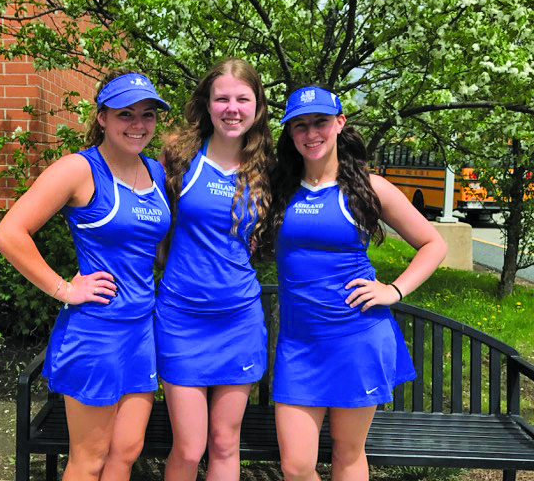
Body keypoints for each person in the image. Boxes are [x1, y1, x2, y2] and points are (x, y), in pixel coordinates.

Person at [0, 71, 171, 481]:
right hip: (97, 333)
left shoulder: (155, 173)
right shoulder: (79, 168)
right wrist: (64, 289)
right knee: (89, 461)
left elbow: (150, 245)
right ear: (103, 118)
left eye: (148, 115)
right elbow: (9, 234)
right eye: (126, 114)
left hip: (142, 329)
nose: (138, 124)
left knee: (126, 453)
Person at [269, 86, 447, 481]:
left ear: (339, 123)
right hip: (299, 344)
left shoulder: (368, 187)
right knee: (296, 466)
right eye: (300, 126)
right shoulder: (280, 189)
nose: (311, 133)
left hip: (356, 337)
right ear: (290, 134)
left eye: (320, 122)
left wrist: (394, 290)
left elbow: (433, 243)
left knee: (348, 454)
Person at [156, 58, 273, 481]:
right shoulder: (178, 157)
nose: (232, 108)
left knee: (225, 444)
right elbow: (141, 215)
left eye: (243, 99)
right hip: (181, 319)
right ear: (207, 105)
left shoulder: (267, 168)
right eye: (221, 98)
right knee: (188, 447)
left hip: (239, 321)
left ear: (257, 107)